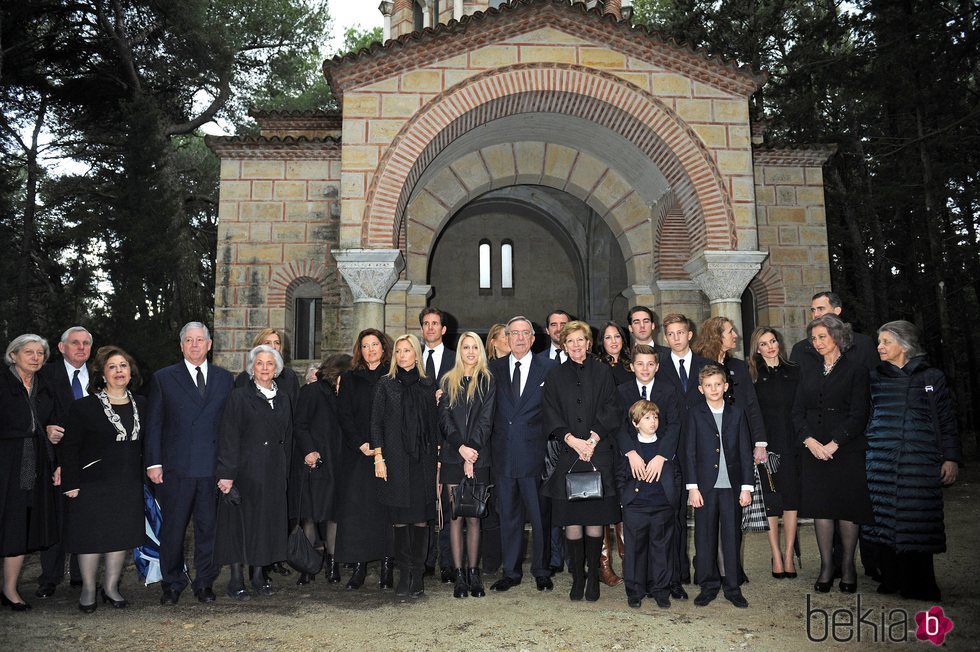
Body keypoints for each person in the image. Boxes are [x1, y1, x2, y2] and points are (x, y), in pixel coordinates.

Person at [864, 320, 961, 601]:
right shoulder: (875, 377)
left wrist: (951, 457)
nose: (879, 347)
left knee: (918, 521)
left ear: (904, 345)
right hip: (881, 461)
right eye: (878, 341)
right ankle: (891, 578)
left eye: (885, 342)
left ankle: (921, 584)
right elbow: (867, 416)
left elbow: (946, 420)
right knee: (884, 521)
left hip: (919, 462)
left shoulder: (931, 377)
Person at [144, 321, 235, 605]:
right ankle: (172, 583)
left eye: (200, 340)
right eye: (189, 340)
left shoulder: (225, 378)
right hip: (176, 469)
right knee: (173, 529)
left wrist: (228, 468)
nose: (195, 345)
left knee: (208, 529)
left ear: (210, 344)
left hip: (211, 470)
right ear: (181, 345)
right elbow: (154, 424)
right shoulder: (164, 378)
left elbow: (229, 428)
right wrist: (153, 463)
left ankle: (204, 582)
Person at [60, 346, 145, 612]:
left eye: (123, 366)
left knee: (119, 536)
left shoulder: (142, 403)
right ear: (102, 375)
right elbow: (70, 447)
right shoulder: (84, 407)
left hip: (128, 481)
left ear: (131, 373)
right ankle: (88, 589)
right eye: (112, 367)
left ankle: (111, 588)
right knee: (91, 537)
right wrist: (70, 483)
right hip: (92, 482)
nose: (119, 371)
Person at [541, 320, 622, 602]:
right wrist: (572, 440)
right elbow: (549, 412)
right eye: (570, 341)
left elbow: (613, 407)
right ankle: (577, 577)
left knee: (594, 521)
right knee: (572, 522)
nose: (576, 345)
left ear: (589, 343)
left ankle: (594, 579)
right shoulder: (554, 377)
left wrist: (593, 439)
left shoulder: (602, 373)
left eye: (581, 340)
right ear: (563, 345)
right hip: (568, 455)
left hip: (597, 453)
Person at [792, 314, 873, 594]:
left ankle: (848, 566)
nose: (817, 343)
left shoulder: (856, 370)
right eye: (813, 338)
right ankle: (827, 566)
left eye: (822, 337)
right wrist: (809, 441)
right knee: (821, 508)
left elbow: (859, 414)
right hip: (813, 450)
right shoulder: (808, 371)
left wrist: (834, 443)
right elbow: (797, 411)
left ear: (837, 337)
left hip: (846, 449)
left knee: (847, 508)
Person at [215, 345, 292, 599]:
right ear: (252, 367)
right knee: (240, 526)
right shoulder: (239, 396)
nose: (265, 368)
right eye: (259, 363)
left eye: (270, 364)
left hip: (272, 472)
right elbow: (228, 436)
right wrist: (226, 474)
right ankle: (236, 579)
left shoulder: (283, 398)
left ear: (277, 368)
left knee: (265, 525)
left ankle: (258, 576)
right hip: (245, 471)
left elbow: (287, 437)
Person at [488, 316, 557, 593]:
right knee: (509, 517)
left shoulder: (549, 368)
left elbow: (555, 410)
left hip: (535, 455)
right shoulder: (493, 368)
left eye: (524, 333)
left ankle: (541, 570)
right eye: (513, 333)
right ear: (506, 337)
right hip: (503, 454)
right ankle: (511, 571)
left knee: (540, 517)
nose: (518, 338)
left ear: (533, 338)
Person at [372, 334, 440, 598]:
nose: (402, 355)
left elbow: (434, 426)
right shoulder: (385, 385)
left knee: (422, 521)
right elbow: (375, 423)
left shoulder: (427, 385)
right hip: (396, 460)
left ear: (416, 354)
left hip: (422, 461)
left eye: (407, 350)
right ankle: (404, 574)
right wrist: (379, 458)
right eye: (398, 351)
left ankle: (418, 574)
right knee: (400, 521)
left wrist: (437, 459)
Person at [615, 344, 683, 593]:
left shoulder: (668, 390)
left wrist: (662, 456)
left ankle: (668, 583)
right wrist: (630, 452)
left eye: (650, 364)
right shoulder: (622, 391)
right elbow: (618, 425)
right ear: (632, 366)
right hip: (633, 464)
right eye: (640, 364)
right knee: (637, 536)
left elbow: (674, 425)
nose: (645, 369)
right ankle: (637, 586)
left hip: (662, 465)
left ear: (657, 366)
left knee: (665, 533)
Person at [685, 364, 753, 609]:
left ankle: (732, 587)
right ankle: (708, 585)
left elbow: (746, 452)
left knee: (732, 537)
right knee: (705, 537)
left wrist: (747, 487)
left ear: (726, 386)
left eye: (718, 384)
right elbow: (690, 452)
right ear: (701, 389)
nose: (713, 389)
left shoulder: (737, 413)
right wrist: (692, 487)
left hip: (732, 487)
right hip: (705, 487)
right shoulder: (694, 414)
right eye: (708, 385)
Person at [1, 335, 58, 611]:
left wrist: (47, 429)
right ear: (13, 355)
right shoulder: (2, 383)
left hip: (33, 464)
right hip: (5, 461)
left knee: (18, 525)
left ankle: (10, 590)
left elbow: (48, 420)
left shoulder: (44, 385)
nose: (36, 357)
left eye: (40, 353)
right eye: (29, 352)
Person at [657, 313, 714, 590]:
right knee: (676, 512)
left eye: (680, 332)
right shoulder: (660, 366)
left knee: (706, 511)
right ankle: (677, 571)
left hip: (704, 448)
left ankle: (706, 569)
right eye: (671, 334)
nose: (676, 338)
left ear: (690, 334)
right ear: (665, 338)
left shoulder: (707, 365)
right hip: (673, 449)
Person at [335, 329, 395, 589]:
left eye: (375, 344)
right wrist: (360, 443)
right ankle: (358, 567)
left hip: (388, 454)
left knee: (385, 512)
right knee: (358, 513)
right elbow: (344, 414)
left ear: (383, 348)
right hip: (358, 455)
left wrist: (382, 446)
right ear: (359, 350)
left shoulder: (393, 376)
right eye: (365, 345)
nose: (370, 350)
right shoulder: (349, 378)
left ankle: (386, 566)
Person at [438, 332, 495, 598]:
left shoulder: (487, 381)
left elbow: (487, 419)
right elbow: (445, 419)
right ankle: (458, 574)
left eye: (475, 347)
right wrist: (461, 448)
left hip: (479, 456)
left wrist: (471, 451)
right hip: (453, 456)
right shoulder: (448, 381)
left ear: (480, 351)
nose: (470, 352)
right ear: (459, 351)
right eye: (466, 347)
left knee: (474, 518)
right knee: (455, 517)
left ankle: (474, 574)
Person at [35, 326, 91, 599]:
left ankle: (82, 577)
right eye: (75, 343)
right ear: (61, 347)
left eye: (86, 344)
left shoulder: (100, 376)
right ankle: (50, 578)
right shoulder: (46, 375)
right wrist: (45, 428)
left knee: (85, 518)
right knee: (55, 520)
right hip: (54, 459)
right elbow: (33, 413)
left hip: (91, 461)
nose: (81, 348)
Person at [291, 353, 352, 587]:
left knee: (333, 516)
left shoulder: (344, 395)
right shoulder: (312, 392)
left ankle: (333, 564)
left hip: (337, 464)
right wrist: (308, 451)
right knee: (310, 516)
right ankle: (308, 567)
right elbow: (300, 425)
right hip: (313, 463)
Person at [747, 327, 801, 580]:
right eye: (764, 343)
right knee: (771, 501)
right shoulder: (752, 376)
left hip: (792, 443)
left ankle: (789, 554)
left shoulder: (794, 371)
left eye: (773, 341)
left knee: (791, 500)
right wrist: (758, 445)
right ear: (756, 349)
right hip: (765, 447)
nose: (770, 347)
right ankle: (776, 555)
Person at [418, 307, 455, 582]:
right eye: (426, 323)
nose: (430, 328)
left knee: (448, 504)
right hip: (419, 443)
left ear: (443, 329)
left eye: (435, 324)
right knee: (424, 502)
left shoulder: (456, 360)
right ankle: (426, 559)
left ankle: (449, 562)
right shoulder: (410, 358)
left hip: (449, 441)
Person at [534, 309, 570, 576]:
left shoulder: (583, 360)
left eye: (563, 324)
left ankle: (575, 557)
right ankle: (554, 557)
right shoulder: (537, 363)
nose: (558, 329)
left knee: (575, 500)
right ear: (547, 330)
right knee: (551, 501)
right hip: (547, 445)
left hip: (578, 443)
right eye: (553, 325)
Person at [790, 292, 878, 374]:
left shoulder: (863, 343)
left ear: (837, 311)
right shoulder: (800, 349)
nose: (815, 314)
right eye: (813, 310)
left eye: (821, 309)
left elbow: (874, 381)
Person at [234, 328, 300, 404]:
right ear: (258, 346)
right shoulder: (243, 378)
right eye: (268, 343)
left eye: (277, 343)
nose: (273, 346)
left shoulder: (289, 376)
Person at [596, 321, 633, 386]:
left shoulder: (633, 363)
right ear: (602, 342)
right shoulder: (597, 367)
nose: (614, 341)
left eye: (617, 336)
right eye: (608, 337)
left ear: (622, 340)